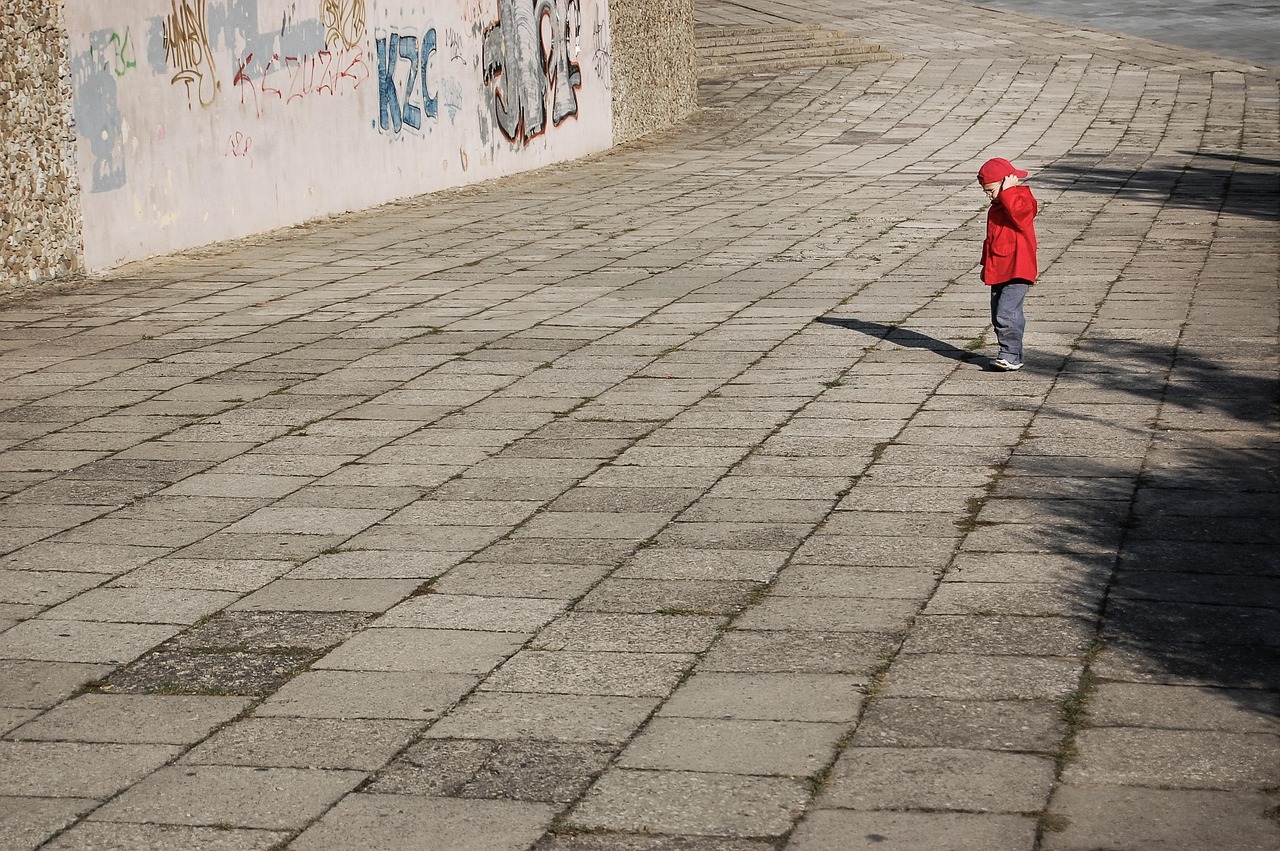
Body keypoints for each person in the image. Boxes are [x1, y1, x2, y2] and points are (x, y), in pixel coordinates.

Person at [977, 157, 1038, 371]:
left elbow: (1021, 216)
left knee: (1007, 312)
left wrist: (1009, 191)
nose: (988, 195)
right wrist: (987, 265)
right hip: (1000, 270)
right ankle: (1015, 354)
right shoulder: (997, 207)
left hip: (1018, 269)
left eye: (991, 190)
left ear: (1006, 182)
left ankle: (1009, 354)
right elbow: (992, 240)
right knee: (998, 314)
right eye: (985, 191)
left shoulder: (1021, 198)